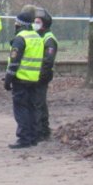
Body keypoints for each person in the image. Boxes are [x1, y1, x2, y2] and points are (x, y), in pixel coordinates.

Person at [4, 10, 44, 149]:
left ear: (20, 24)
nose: (15, 24)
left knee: (21, 109)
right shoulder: (37, 37)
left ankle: (24, 138)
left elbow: (14, 62)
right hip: (34, 78)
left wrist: (8, 79)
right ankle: (33, 137)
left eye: (16, 22)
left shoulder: (20, 38)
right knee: (32, 108)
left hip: (21, 79)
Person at [34, 9, 58, 142]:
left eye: (38, 22)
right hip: (36, 75)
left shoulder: (49, 39)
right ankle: (41, 129)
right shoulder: (39, 36)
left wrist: (41, 76)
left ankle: (42, 130)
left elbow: (48, 61)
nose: (35, 24)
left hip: (42, 76)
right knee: (38, 102)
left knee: (39, 103)